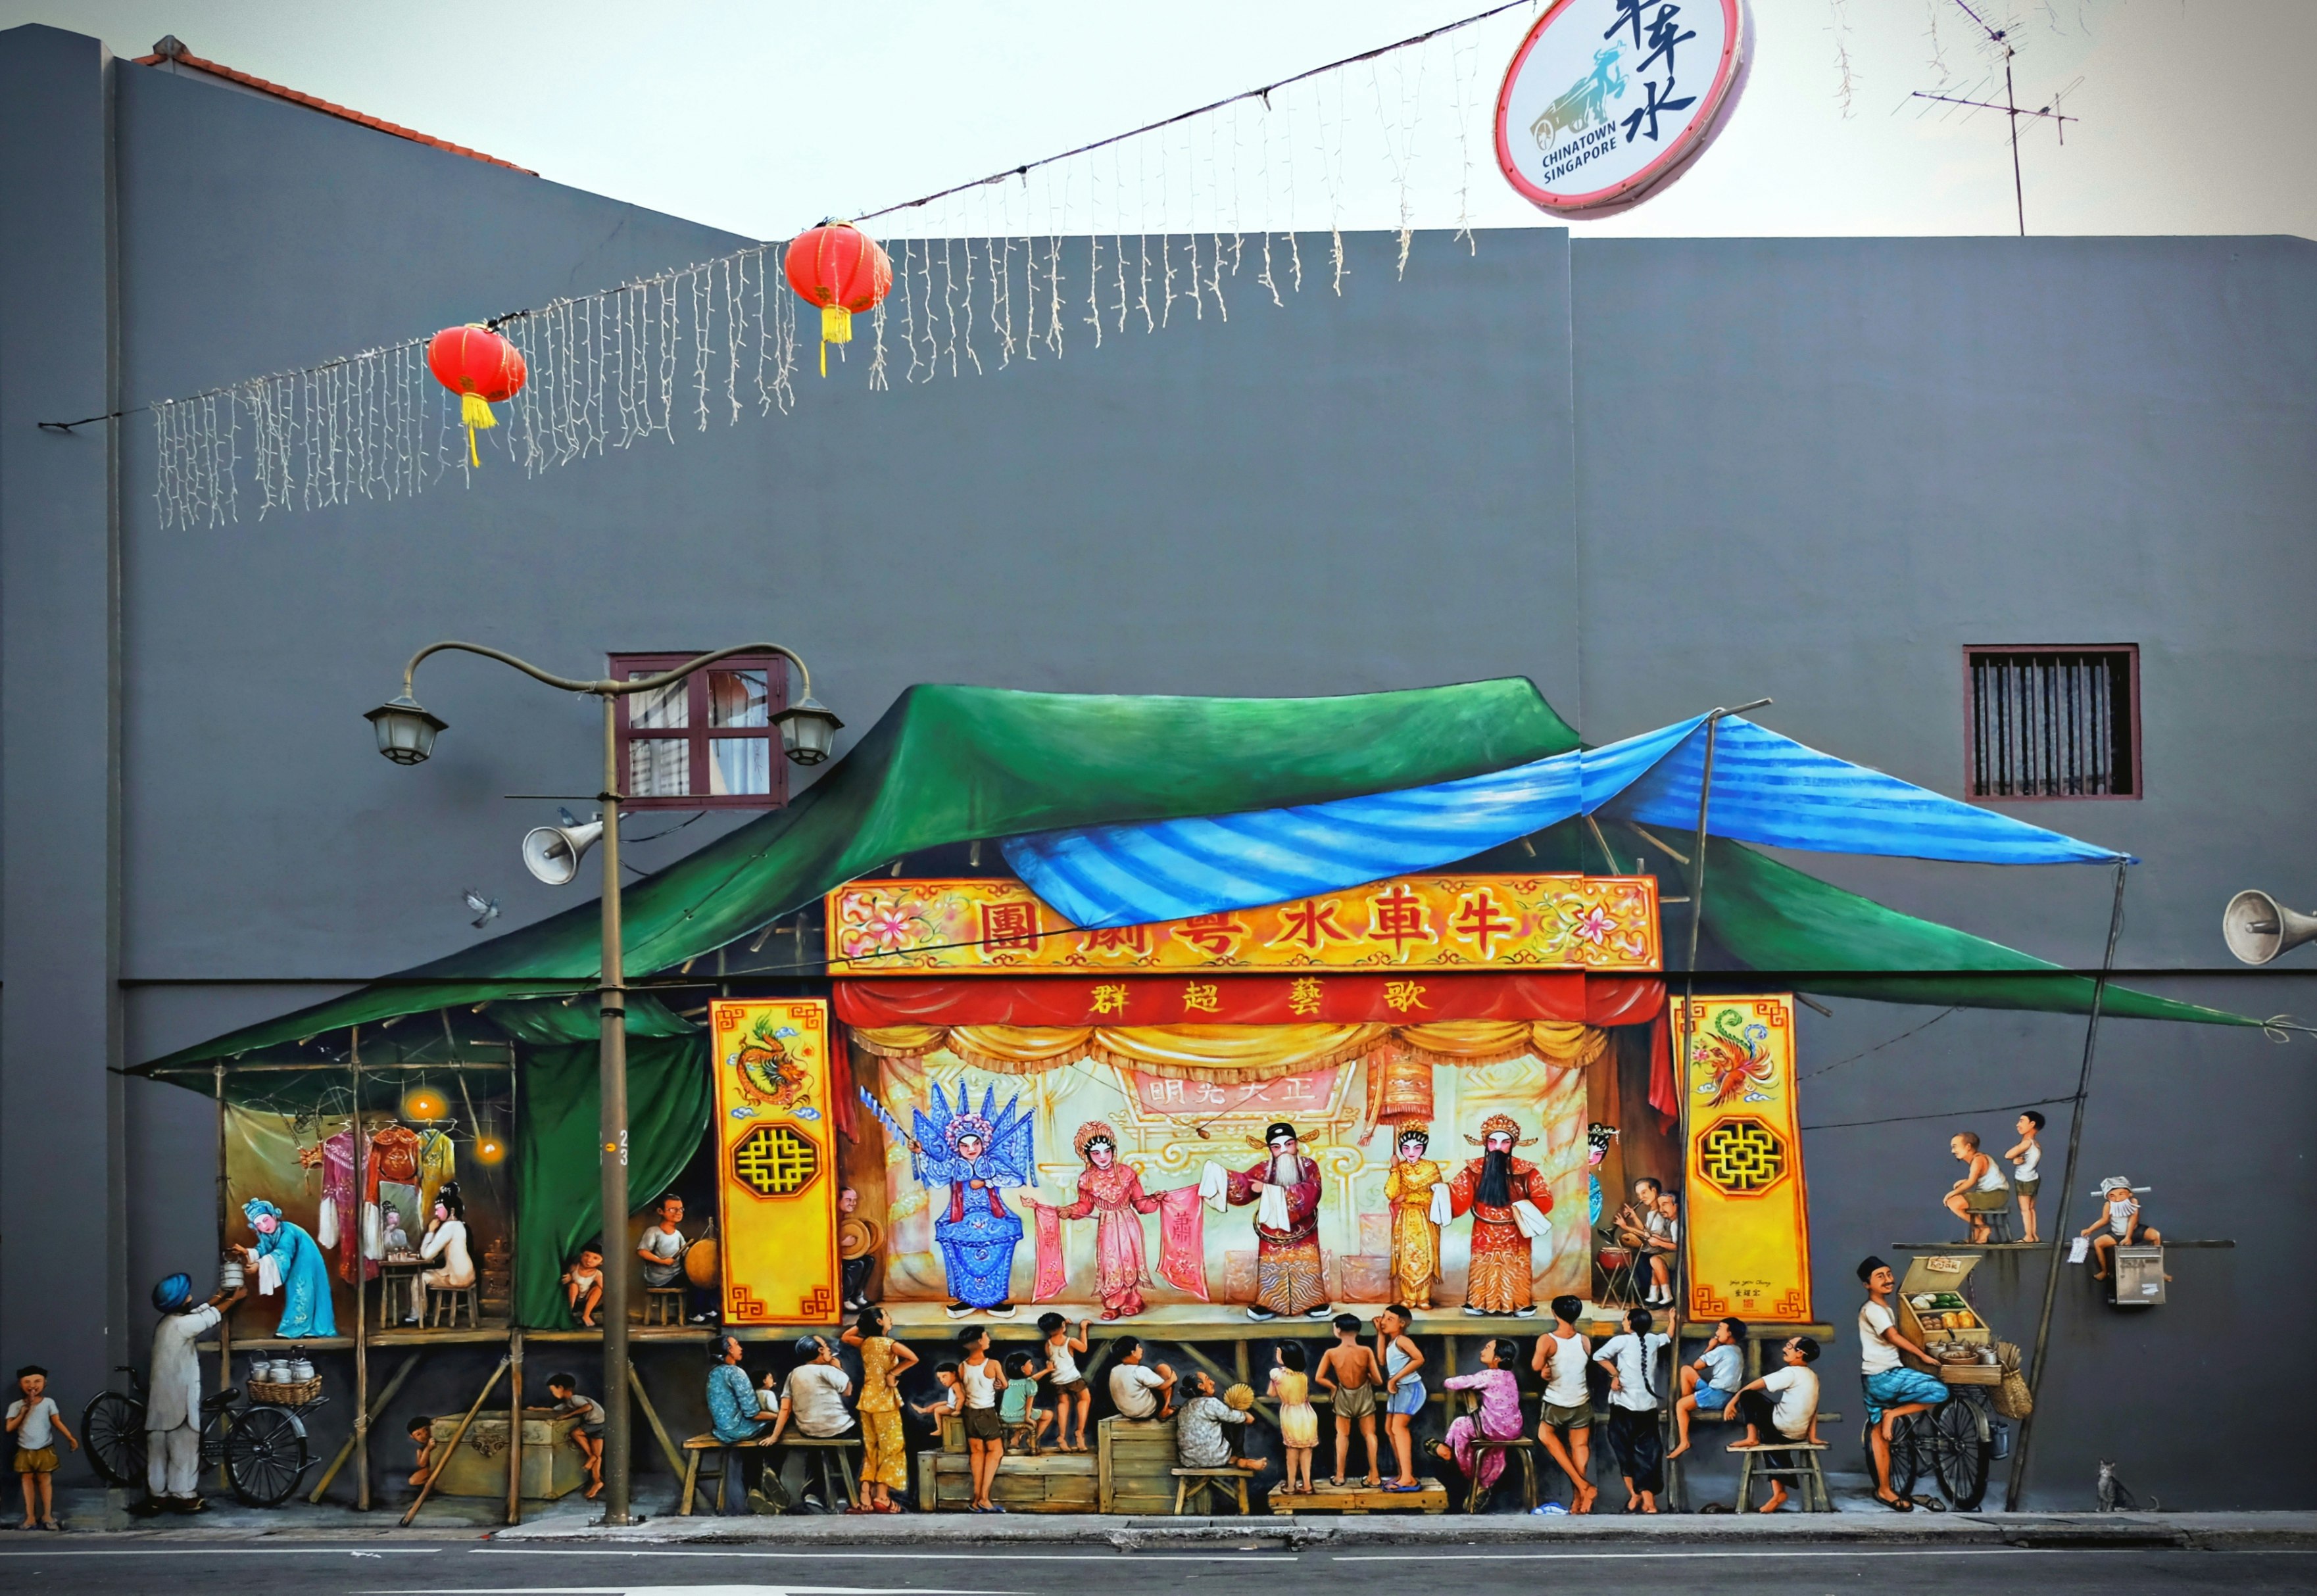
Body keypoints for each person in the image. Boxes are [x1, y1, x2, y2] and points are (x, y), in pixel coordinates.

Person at [132, 1270, 245, 1515]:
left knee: (158, 1452)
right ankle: (185, 1497)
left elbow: (196, 1314)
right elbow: (209, 1319)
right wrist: (234, 1299)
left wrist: (216, 1298)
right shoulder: (182, 1326)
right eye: (188, 1296)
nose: (192, 1298)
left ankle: (158, 1496)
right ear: (182, 1300)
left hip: (160, 1403)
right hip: (179, 1402)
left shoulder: (167, 1323)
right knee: (184, 1449)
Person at [1047, 1121, 1173, 1319]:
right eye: (1096, 1153)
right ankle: (1113, 1303)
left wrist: (1154, 1200)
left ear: (1114, 1150)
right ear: (1087, 1155)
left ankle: (1133, 1301)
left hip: (1128, 1223)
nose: (1103, 1157)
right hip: (1107, 1227)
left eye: (1107, 1151)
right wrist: (1069, 1210)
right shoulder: (1086, 1179)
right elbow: (1085, 1207)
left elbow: (1141, 1204)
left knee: (1129, 1260)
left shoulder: (1126, 1173)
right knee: (1110, 1263)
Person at [1857, 1255, 1949, 1512]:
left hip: (1871, 1378)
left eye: (1888, 1273)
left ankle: (1885, 1491)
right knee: (1939, 1390)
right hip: (1886, 1376)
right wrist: (1922, 1355)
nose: (1888, 1279)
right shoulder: (1874, 1310)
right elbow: (1892, 1336)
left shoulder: (1883, 1308)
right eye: (1880, 1276)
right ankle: (1893, 1414)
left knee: (1878, 1435)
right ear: (1867, 1284)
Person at [1448, 1114, 1552, 1317]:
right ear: (1485, 1143)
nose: (1498, 1147)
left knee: (1516, 1268)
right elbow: (1458, 1196)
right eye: (1493, 1141)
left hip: (1516, 1231)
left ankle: (1520, 1304)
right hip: (1483, 1231)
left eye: (1505, 1142)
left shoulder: (1527, 1171)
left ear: (1513, 1145)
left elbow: (1544, 1198)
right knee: (1483, 1266)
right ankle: (1477, 1302)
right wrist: (1443, 1193)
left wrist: (1523, 1207)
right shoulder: (1473, 1170)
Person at [1225, 1122, 1330, 1321]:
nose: (1284, 1151)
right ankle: (1269, 1304)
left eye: (1288, 1144)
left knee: (1305, 1265)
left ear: (1297, 1144)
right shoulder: (1265, 1169)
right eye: (1276, 1147)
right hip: (1272, 1233)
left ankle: (1312, 1302)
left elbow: (1312, 1192)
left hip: (1303, 1230)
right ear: (1270, 1149)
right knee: (1272, 1268)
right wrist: (1222, 1178)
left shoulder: (1308, 1166)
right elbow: (1245, 1187)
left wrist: (1267, 1190)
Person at [1724, 1336, 1822, 1512]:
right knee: (1770, 1436)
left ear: (1800, 1354)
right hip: (1797, 1432)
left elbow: (1754, 1386)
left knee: (1748, 1396)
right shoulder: (1813, 1376)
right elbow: (1813, 1409)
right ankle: (1779, 1493)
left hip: (1782, 1426)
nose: (1785, 1349)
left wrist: (1732, 1403)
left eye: (1789, 1346)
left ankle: (1751, 1437)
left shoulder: (1790, 1373)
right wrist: (1812, 1436)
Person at [839, 1304, 917, 1512]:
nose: (890, 1318)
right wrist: (894, 1373)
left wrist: (863, 1323)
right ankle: (882, 1497)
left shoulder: (865, 1343)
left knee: (871, 1449)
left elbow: (846, 1336)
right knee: (891, 1449)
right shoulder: (889, 1344)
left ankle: (865, 1497)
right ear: (879, 1322)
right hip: (885, 1402)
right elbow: (913, 1358)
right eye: (886, 1316)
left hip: (867, 1401)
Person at [1594, 1306, 1670, 1512]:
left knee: (1624, 1452)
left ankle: (1638, 1497)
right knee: (1648, 1454)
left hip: (1623, 1407)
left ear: (1631, 1323)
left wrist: (1615, 1375)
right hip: (1648, 1407)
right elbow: (1669, 1337)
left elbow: (1599, 1357)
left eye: (1625, 1319)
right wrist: (1672, 1320)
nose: (1623, 1322)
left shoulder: (1621, 1341)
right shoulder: (1653, 1340)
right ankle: (1647, 1500)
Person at [1431, 1337, 1525, 1502]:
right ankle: (1485, 1484)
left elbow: (1455, 1383)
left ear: (1497, 1358)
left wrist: (1447, 1381)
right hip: (1512, 1430)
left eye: (1488, 1348)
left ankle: (1448, 1450)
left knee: (1460, 1424)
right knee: (1494, 1448)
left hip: (1492, 1428)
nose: (1482, 1351)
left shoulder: (1487, 1375)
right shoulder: (1510, 1376)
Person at [1530, 1295, 1598, 1513]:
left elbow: (1536, 1366)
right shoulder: (1585, 1340)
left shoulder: (1547, 1340)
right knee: (1579, 1447)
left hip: (1557, 1401)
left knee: (1544, 1435)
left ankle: (1583, 1487)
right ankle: (1578, 1500)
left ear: (1554, 1314)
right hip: (1581, 1400)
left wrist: (1543, 1371)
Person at [234, 1197, 335, 1338]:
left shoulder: (288, 1231)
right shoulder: (268, 1234)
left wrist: (259, 1264)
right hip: (296, 1261)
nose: (264, 1226)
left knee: (302, 1291)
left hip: (306, 1260)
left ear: (274, 1216)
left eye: (265, 1220)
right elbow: (264, 1248)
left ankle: (294, 1330)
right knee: (303, 1290)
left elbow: (282, 1253)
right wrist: (247, 1252)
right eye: (258, 1224)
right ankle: (312, 1329)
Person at [1380, 1125, 1446, 1310]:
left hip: (1426, 1218)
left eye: (1416, 1148)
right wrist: (1394, 1170)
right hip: (1405, 1219)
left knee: (1426, 1256)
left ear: (1424, 1148)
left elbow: (1435, 1196)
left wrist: (1409, 1197)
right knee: (1405, 1255)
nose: (1411, 1152)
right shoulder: (1399, 1168)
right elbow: (1391, 1193)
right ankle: (1408, 1298)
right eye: (1406, 1148)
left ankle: (1424, 1298)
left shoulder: (1431, 1168)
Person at [1315, 1313, 1382, 1487]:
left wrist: (1333, 1387)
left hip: (1343, 1395)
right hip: (1365, 1395)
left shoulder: (1332, 1353)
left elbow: (1319, 1378)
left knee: (1342, 1435)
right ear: (1357, 1331)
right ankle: (1374, 1476)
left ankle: (1339, 1476)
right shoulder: (1366, 1351)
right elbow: (1378, 1381)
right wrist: (1367, 1375)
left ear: (1337, 1330)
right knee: (1370, 1435)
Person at [9, 1365, 77, 1531]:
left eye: (37, 1381)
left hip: (45, 1448)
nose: (32, 1385)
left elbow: (57, 1422)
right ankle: (30, 1517)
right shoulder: (16, 1405)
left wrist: (70, 1437)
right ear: (20, 1384)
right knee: (27, 1481)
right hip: (25, 1449)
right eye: (27, 1382)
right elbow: (9, 1428)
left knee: (45, 1481)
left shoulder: (48, 1403)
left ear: (45, 1383)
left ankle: (47, 1515)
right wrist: (23, 1412)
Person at [1669, 1315, 1745, 1459]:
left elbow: (1698, 1365)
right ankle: (1689, 1405)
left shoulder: (1722, 1350)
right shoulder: (1737, 1350)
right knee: (1686, 1370)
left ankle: (1684, 1442)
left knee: (1679, 1405)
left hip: (1718, 1395)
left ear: (1729, 1334)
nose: (1717, 1332)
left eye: (1720, 1329)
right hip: (1722, 1393)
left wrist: (1711, 1347)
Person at [1375, 1303, 1427, 1491]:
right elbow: (1381, 1361)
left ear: (1402, 1324)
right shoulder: (1391, 1342)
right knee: (1389, 1428)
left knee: (1398, 1427)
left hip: (1410, 1388)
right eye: (1383, 1317)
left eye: (1390, 1319)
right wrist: (1380, 1335)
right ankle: (1403, 1474)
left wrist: (1395, 1379)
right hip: (1398, 1389)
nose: (1383, 1321)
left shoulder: (1403, 1341)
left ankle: (1408, 1478)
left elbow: (1419, 1359)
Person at [956, 1326, 1008, 1512]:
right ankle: (985, 1498)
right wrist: (999, 1386)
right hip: (987, 1412)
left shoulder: (962, 1366)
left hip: (969, 1413)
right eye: (986, 1336)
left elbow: (961, 1391)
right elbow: (1004, 1384)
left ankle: (976, 1499)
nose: (988, 1339)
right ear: (979, 1341)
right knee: (996, 1452)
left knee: (976, 1453)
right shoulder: (993, 1364)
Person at [769, 1334, 855, 1444]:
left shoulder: (794, 1374)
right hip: (838, 1429)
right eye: (825, 1346)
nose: (829, 1349)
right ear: (820, 1350)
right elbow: (847, 1392)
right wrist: (838, 1368)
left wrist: (774, 1436)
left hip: (807, 1431)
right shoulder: (827, 1370)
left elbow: (785, 1409)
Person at [641, 1194, 713, 1324]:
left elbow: (685, 1253)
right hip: (661, 1278)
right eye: (673, 1209)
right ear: (660, 1211)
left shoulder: (677, 1234)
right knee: (694, 1281)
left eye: (681, 1209)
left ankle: (706, 1309)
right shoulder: (654, 1232)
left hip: (676, 1274)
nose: (678, 1213)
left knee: (703, 1276)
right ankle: (695, 1314)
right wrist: (662, 1261)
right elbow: (642, 1252)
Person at [1174, 1370, 1261, 1472]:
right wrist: (1245, 1415)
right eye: (1208, 1380)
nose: (1213, 1382)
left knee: (1225, 1418)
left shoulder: (1185, 1407)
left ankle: (1239, 1459)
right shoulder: (1210, 1403)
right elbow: (1242, 1418)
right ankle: (1238, 1457)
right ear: (1201, 1386)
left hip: (1189, 1461)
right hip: (1213, 1459)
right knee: (1235, 1420)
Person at [416, 1180, 476, 1322]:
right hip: (468, 1274)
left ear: (452, 1210)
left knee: (420, 1278)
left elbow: (427, 1255)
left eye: (439, 1209)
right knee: (429, 1274)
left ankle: (417, 1315)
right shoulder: (461, 1225)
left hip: (458, 1278)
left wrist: (430, 1231)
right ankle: (419, 1314)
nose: (436, 1213)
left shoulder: (449, 1226)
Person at [2082, 1176, 2163, 1279]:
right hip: (2117, 1234)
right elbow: (2104, 1220)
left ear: (2129, 1194)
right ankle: (2104, 1272)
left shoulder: (2133, 1201)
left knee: (2155, 1235)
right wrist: (2090, 1230)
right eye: (2112, 1196)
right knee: (2098, 1243)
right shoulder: (2108, 1205)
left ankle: (2158, 1271)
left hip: (2135, 1231)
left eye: (2121, 1194)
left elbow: (2133, 1219)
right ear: (2107, 1197)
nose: (2117, 1199)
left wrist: (2128, 1237)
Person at [1033, 1313, 1092, 1453]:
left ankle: (1061, 1438)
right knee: (1085, 1399)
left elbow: (1053, 1354)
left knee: (1063, 1405)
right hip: (1073, 1378)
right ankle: (1079, 1433)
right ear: (1063, 1326)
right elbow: (1084, 1348)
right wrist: (1083, 1329)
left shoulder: (1048, 1344)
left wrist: (1061, 1325)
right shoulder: (1070, 1341)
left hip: (1058, 1381)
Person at [544, 1372, 606, 1500]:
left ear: (561, 1388)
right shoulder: (568, 1403)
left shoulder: (575, 1399)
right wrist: (534, 1410)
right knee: (597, 1456)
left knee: (575, 1433)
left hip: (595, 1423)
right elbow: (553, 1410)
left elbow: (588, 1407)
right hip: (601, 1425)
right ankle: (597, 1482)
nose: (552, 1394)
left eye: (553, 1390)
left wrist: (568, 1416)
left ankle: (592, 1457)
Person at [1941, 1132, 2011, 1244]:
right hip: (1992, 1194)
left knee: (1953, 1202)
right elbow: (1980, 1178)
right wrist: (1964, 1182)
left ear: (1968, 1147)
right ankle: (1977, 1235)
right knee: (1970, 1202)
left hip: (1996, 1195)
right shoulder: (1978, 1159)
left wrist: (1952, 1193)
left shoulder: (1978, 1159)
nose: (1953, 1151)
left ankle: (1983, 1228)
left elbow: (1972, 1182)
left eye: (1955, 1147)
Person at [1269, 1343, 1319, 1494]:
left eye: (1279, 1353)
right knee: (1306, 1450)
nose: (1277, 1355)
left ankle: (1291, 1485)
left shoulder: (1276, 1374)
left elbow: (1271, 1393)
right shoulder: (1303, 1377)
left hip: (1291, 1414)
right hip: (1307, 1413)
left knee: (1292, 1452)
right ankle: (1307, 1485)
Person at [1106, 1334, 1175, 1420]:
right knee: (1164, 1369)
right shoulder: (1139, 1370)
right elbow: (1162, 1387)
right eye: (1139, 1347)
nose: (1142, 1350)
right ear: (1133, 1352)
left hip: (1128, 1413)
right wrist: (1172, 1379)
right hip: (1146, 1412)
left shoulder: (1115, 1370)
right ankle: (1165, 1410)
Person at [2005, 1111, 2046, 1244]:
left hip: (2024, 1179)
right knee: (2031, 1208)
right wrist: (2016, 1160)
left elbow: (2008, 1155)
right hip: (2033, 1177)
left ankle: (2028, 1236)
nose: (2018, 1125)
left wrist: (2013, 1158)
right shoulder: (2036, 1144)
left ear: (2032, 1124)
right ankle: (2034, 1235)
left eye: (2022, 1121)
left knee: (2025, 1209)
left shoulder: (2027, 1143)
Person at [999, 1351, 1050, 1452]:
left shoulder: (1010, 1382)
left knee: (1025, 1413)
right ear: (1023, 1369)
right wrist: (1028, 1418)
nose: (1032, 1366)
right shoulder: (1030, 1384)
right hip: (1021, 1415)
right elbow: (1029, 1404)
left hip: (1005, 1416)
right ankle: (1032, 1440)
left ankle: (1015, 1440)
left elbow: (1032, 1379)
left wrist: (1047, 1370)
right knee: (1048, 1415)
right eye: (1030, 1363)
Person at [562, 1242, 605, 1328]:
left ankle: (586, 1315)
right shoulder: (574, 1267)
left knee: (598, 1290)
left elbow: (604, 1289)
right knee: (573, 1286)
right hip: (573, 1297)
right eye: (587, 1256)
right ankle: (569, 1312)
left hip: (585, 1299)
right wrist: (569, 1277)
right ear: (581, 1255)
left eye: (595, 1258)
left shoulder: (597, 1274)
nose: (589, 1260)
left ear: (601, 1262)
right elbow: (566, 1275)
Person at [406, 1415, 436, 1489]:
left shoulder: (439, 1442)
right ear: (412, 1437)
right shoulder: (420, 1450)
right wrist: (428, 1449)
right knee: (413, 1481)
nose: (424, 1434)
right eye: (418, 1434)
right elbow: (422, 1464)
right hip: (431, 1469)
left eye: (426, 1430)